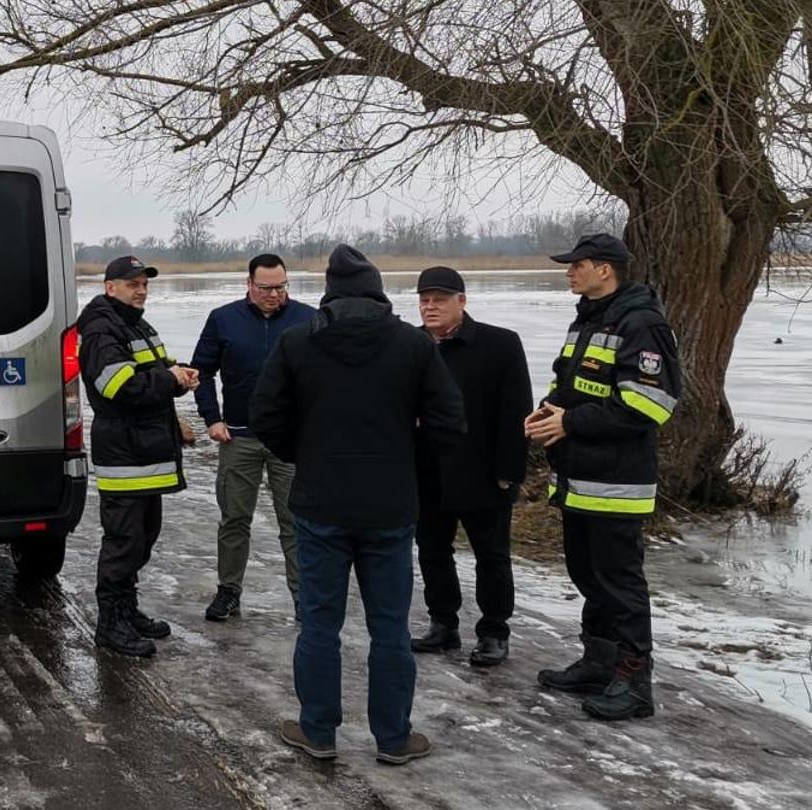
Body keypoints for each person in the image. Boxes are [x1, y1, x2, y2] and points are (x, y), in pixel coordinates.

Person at [250, 245, 465, 764]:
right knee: (389, 626)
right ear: (377, 291)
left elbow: (265, 416)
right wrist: (405, 458)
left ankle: (318, 730)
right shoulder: (413, 346)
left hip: (320, 503)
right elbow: (450, 423)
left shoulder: (298, 342)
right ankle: (393, 738)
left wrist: (305, 453)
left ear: (329, 293)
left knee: (320, 622)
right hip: (389, 506)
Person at [526, 234, 681, 721]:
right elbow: (570, 385)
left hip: (618, 485)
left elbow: (649, 403)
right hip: (578, 479)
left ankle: (634, 683)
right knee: (587, 576)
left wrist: (569, 423)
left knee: (620, 585)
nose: (569, 272)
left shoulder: (642, 323)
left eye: (578, 265)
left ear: (606, 270)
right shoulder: (588, 320)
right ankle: (600, 663)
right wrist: (548, 413)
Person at [407, 267, 533, 667]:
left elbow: (516, 411)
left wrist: (509, 470)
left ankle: (495, 631)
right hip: (427, 473)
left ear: (462, 301)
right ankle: (443, 624)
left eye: (440, 299)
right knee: (432, 551)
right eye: (425, 299)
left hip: (482, 472)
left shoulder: (499, 344)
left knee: (491, 556)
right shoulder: (409, 344)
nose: (431, 306)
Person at [78, 255, 201, 658]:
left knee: (143, 538)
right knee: (124, 541)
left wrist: (178, 374)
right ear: (109, 287)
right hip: (125, 453)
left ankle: (127, 611)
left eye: (144, 283)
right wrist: (170, 379)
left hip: (146, 452)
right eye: (132, 284)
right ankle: (110, 624)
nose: (141, 290)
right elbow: (120, 385)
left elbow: (153, 370)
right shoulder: (100, 327)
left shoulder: (135, 322)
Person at [191, 253, 316, 620]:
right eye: (266, 288)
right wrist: (212, 419)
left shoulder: (308, 319)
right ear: (249, 284)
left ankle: (303, 597)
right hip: (238, 438)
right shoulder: (223, 319)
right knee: (234, 518)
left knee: (295, 522)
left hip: (290, 442)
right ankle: (229, 591)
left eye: (281, 287)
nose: (274, 295)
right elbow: (201, 371)